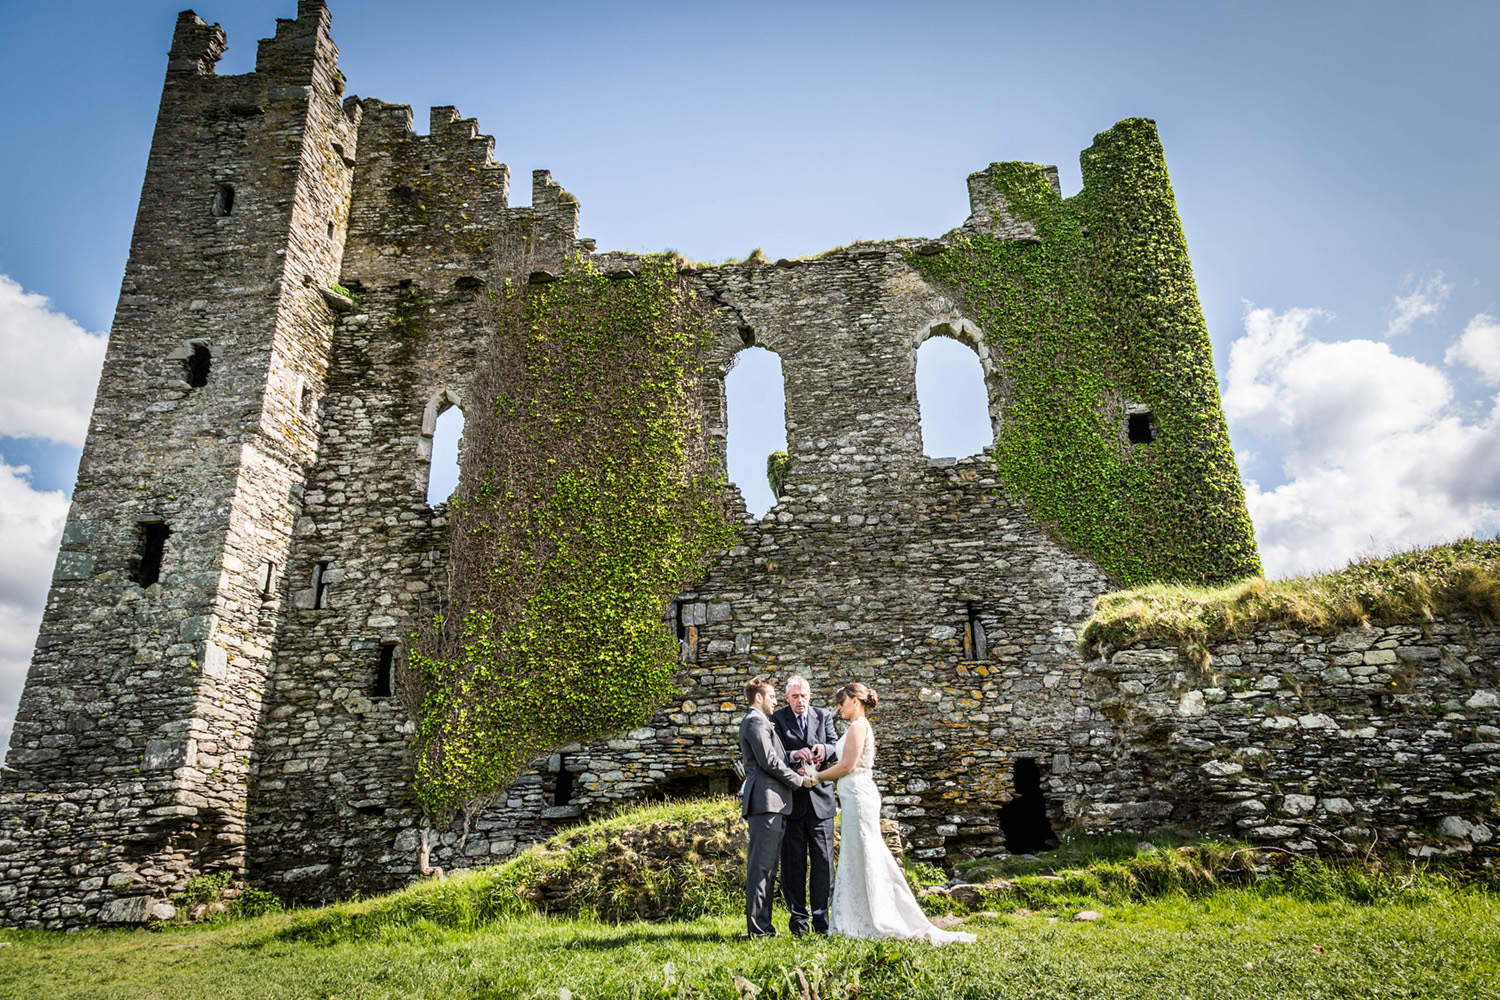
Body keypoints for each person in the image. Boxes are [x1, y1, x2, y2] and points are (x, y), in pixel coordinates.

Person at [808, 683, 977, 945]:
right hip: (854, 796)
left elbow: (847, 765)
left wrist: (816, 778)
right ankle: (857, 915)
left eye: (841, 701)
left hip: (859, 796)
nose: (838, 707)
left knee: (865, 852)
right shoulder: (858, 726)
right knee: (858, 853)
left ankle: (876, 916)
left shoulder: (858, 726)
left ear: (854, 700)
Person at [738, 676, 816, 938]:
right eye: (772, 696)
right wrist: (800, 780)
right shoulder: (754, 721)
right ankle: (758, 930)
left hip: (775, 802)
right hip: (765, 802)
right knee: (761, 868)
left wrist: (797, 766)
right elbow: (769, 762)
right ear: (758, 698)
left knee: (769, 868)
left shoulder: (761, 722)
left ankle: (764, 927)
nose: (775, 701)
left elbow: (778, 759)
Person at [770, 676, 839, 936]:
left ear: (810, 696)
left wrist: (824, 748)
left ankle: (822, 922)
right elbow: (774, 755)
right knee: (793, 864)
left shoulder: (823, 716)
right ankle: (798, 923)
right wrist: (793, 756)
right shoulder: (777, 719)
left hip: (821, 801)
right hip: (792, 800)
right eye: (796, 696)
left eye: (804, 696)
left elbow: (835, 744)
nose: (801, 701)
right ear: (787, 697)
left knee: (823, 863)